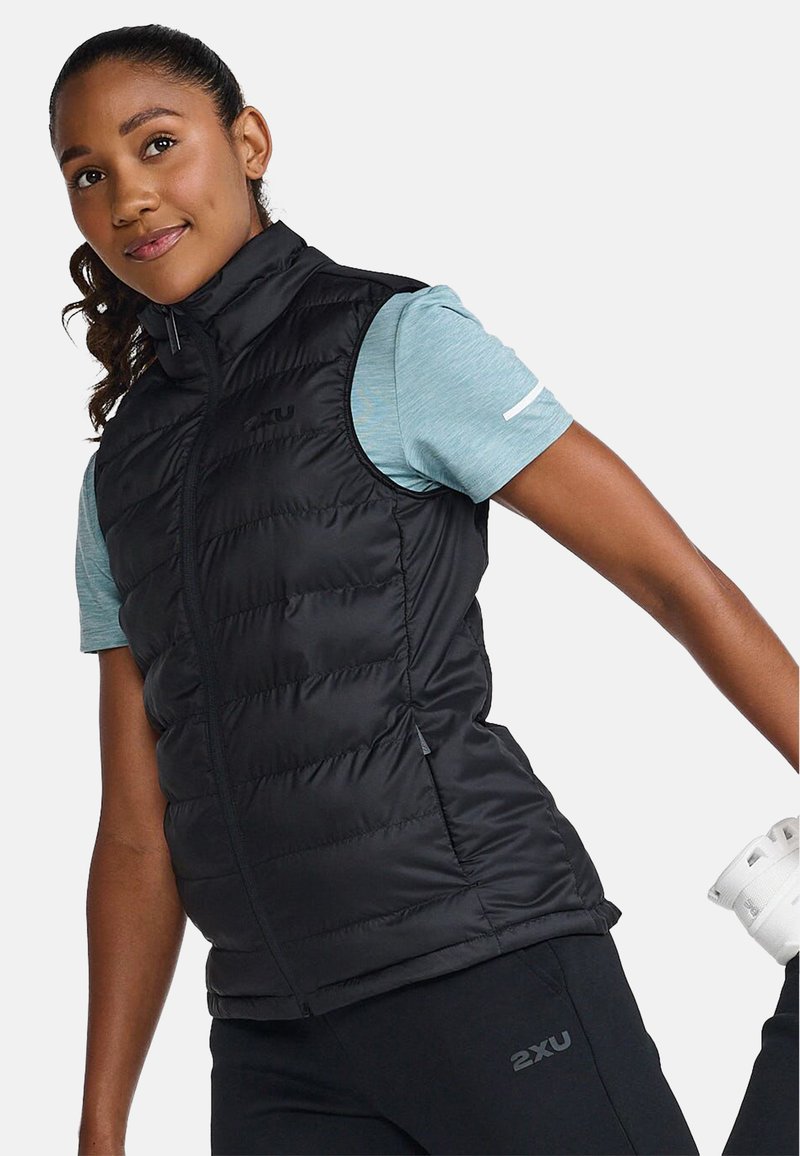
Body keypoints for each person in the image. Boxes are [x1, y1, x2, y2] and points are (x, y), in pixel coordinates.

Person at [49, 23, 798, 1156]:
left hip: (479, 959)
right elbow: (136, 832)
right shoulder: (121, 473)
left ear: (247, 142)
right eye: (88, 174)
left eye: (158, 144)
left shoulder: (392, 341)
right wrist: (100, 1122)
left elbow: (670, 577)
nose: (129, 197)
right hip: (270, 1039)